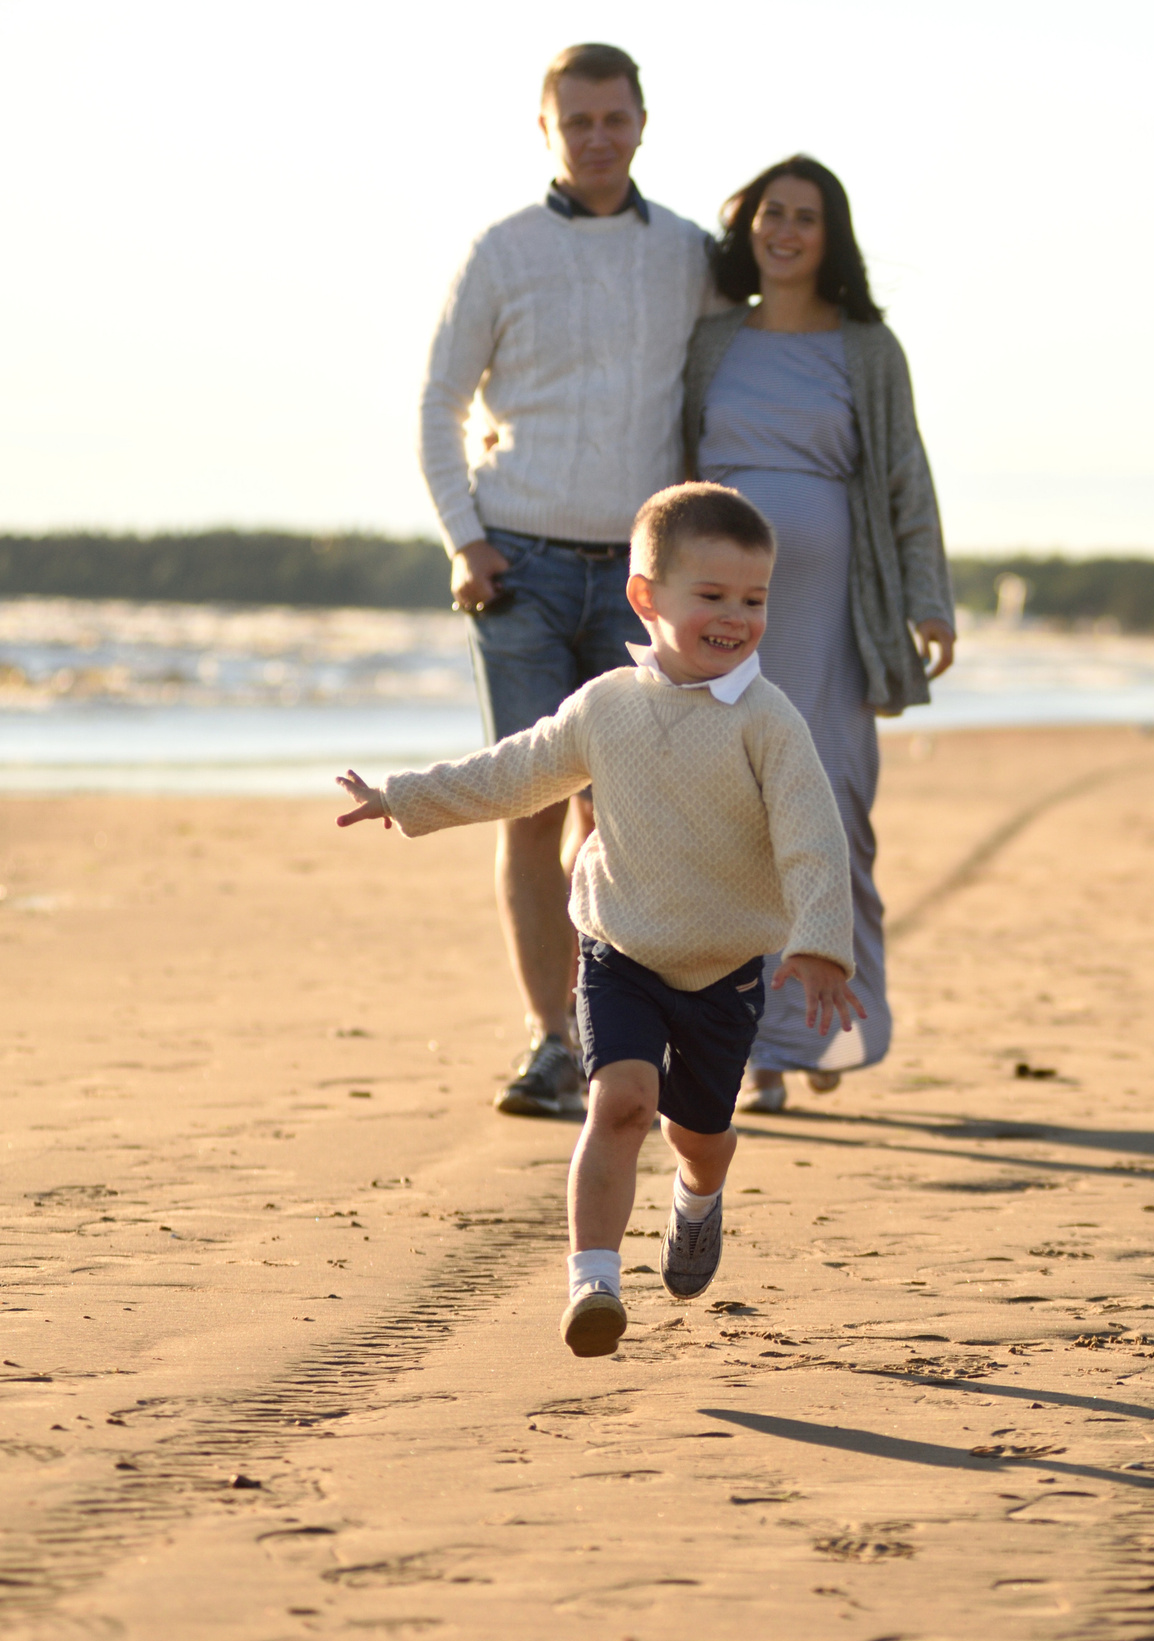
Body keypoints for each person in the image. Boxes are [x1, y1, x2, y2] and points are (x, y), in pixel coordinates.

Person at [334, 484, 862, 1359]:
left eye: (755, 599)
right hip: (618, 948)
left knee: (699, 1133)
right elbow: (515, 773)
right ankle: (594, 1281)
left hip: (723, 968)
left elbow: (811, 836)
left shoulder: (769, 724)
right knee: (619, 1102)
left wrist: (818, 942)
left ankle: (697, 1195)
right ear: (648, 596)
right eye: (713, 596)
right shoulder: (607, 705)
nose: (736, 618)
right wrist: (404, 797)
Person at [418, 42, 727, 1118]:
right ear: (544, 130)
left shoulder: (689, 253)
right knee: (529, 806)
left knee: (623, 812)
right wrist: (467, 541)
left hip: (642, 579)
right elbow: (437, 406)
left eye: (615, 117)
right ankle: (549, 1040)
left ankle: (615, 1032)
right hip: (522, 568)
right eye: (576, 120)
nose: (598, 136)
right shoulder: (501, 253)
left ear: (642, 122)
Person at [684, 155, 955, 1113]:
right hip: (719, 616)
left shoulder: (867, 347)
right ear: (747, 226)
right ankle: (752, 1049)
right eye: (770, 214)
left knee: (832, 813)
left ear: (829, 236)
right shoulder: (712, 341)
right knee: (734, 816)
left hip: (834, 617)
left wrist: (929, 598)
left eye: (805, 217)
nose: (785, 231)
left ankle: (818, 1026)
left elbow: (904, 481)